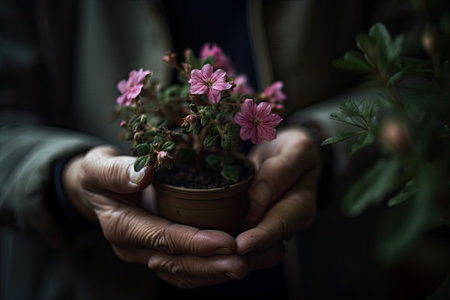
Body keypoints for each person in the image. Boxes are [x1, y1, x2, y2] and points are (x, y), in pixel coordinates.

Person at [0, 0, 407, 299]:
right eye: (207, 85)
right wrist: (64, 178)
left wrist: (322, 143)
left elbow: (422, 78)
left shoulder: (224, 102)